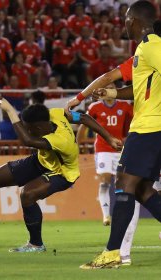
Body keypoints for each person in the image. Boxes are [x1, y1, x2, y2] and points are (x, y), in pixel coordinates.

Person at [0, 95, 122, 252]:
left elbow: (27, 141)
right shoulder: (56, 113)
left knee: (28, 194)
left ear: (37, 128)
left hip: (62, 172)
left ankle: (36, 244)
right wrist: (109, 137)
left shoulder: (61, 140)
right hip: (42, 160)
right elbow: (85, 118)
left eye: (28, 128)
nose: (27, 130)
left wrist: (10, 110)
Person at [80, 1, 161, 269]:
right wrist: (113, 93)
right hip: (150, 126)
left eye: (126, 18)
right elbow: (139, 89)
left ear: (135, 20)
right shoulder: (143, 49)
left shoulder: (152, 44)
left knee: (124, 181)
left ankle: (113, 252)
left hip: (149, 127)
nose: (124, 22)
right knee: (142, 189)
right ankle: (114, 251)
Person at [77, 84, 133, 226]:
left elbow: (134, 123)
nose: (109, 89)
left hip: (121, 149)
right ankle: (106, 216)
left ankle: (122, 214)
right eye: (106, 87)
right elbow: (84, 124)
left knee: (121, 183)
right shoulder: (95, 107)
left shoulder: (125, 106)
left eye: (112, 87)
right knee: (105, 180)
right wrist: (78, 143)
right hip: (103, 149)